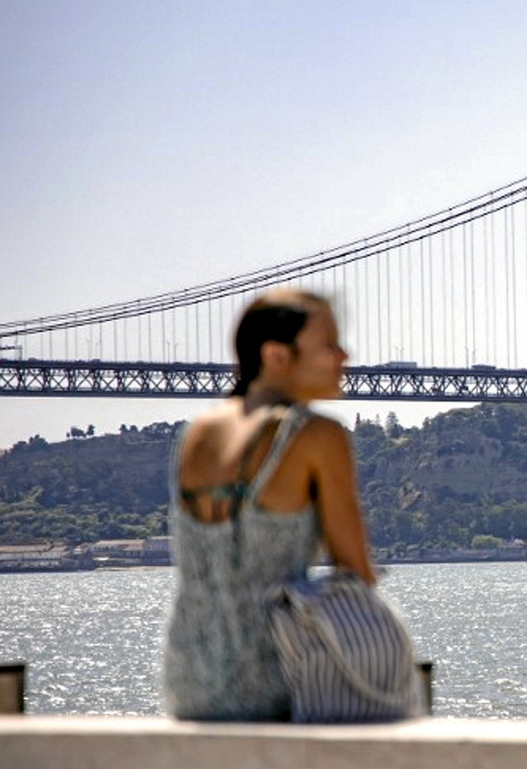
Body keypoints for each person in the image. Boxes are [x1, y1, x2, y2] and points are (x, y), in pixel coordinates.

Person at [163, 289, 381, 720]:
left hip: (189, 682)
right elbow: (354, 574)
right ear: (276, 355)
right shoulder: (316, 435)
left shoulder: (196, 434)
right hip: (281, 683)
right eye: (328, 343)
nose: (344, 355)